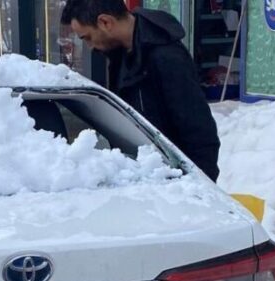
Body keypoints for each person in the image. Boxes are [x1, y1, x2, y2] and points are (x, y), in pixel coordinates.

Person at [61, 0, 221, 180]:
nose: (90, 46)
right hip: (145, 176)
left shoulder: (166, 57)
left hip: (174, 181)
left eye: (88, 37)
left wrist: (200, 185)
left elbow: (198, 130)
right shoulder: (121, 55)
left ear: (105, 22)